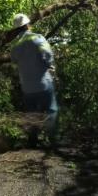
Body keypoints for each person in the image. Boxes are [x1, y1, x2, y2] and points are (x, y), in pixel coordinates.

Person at [10, 13, 59, 148]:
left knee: (32, 113)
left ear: (16, 29)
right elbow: (48, 54)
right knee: (51, 110)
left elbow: (13, 62)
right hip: (43, 82)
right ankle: (52, 140)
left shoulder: (15, 46)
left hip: (27, 86)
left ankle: (32, 140)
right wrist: (49, 64)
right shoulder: (37, 38)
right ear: (28, 25)